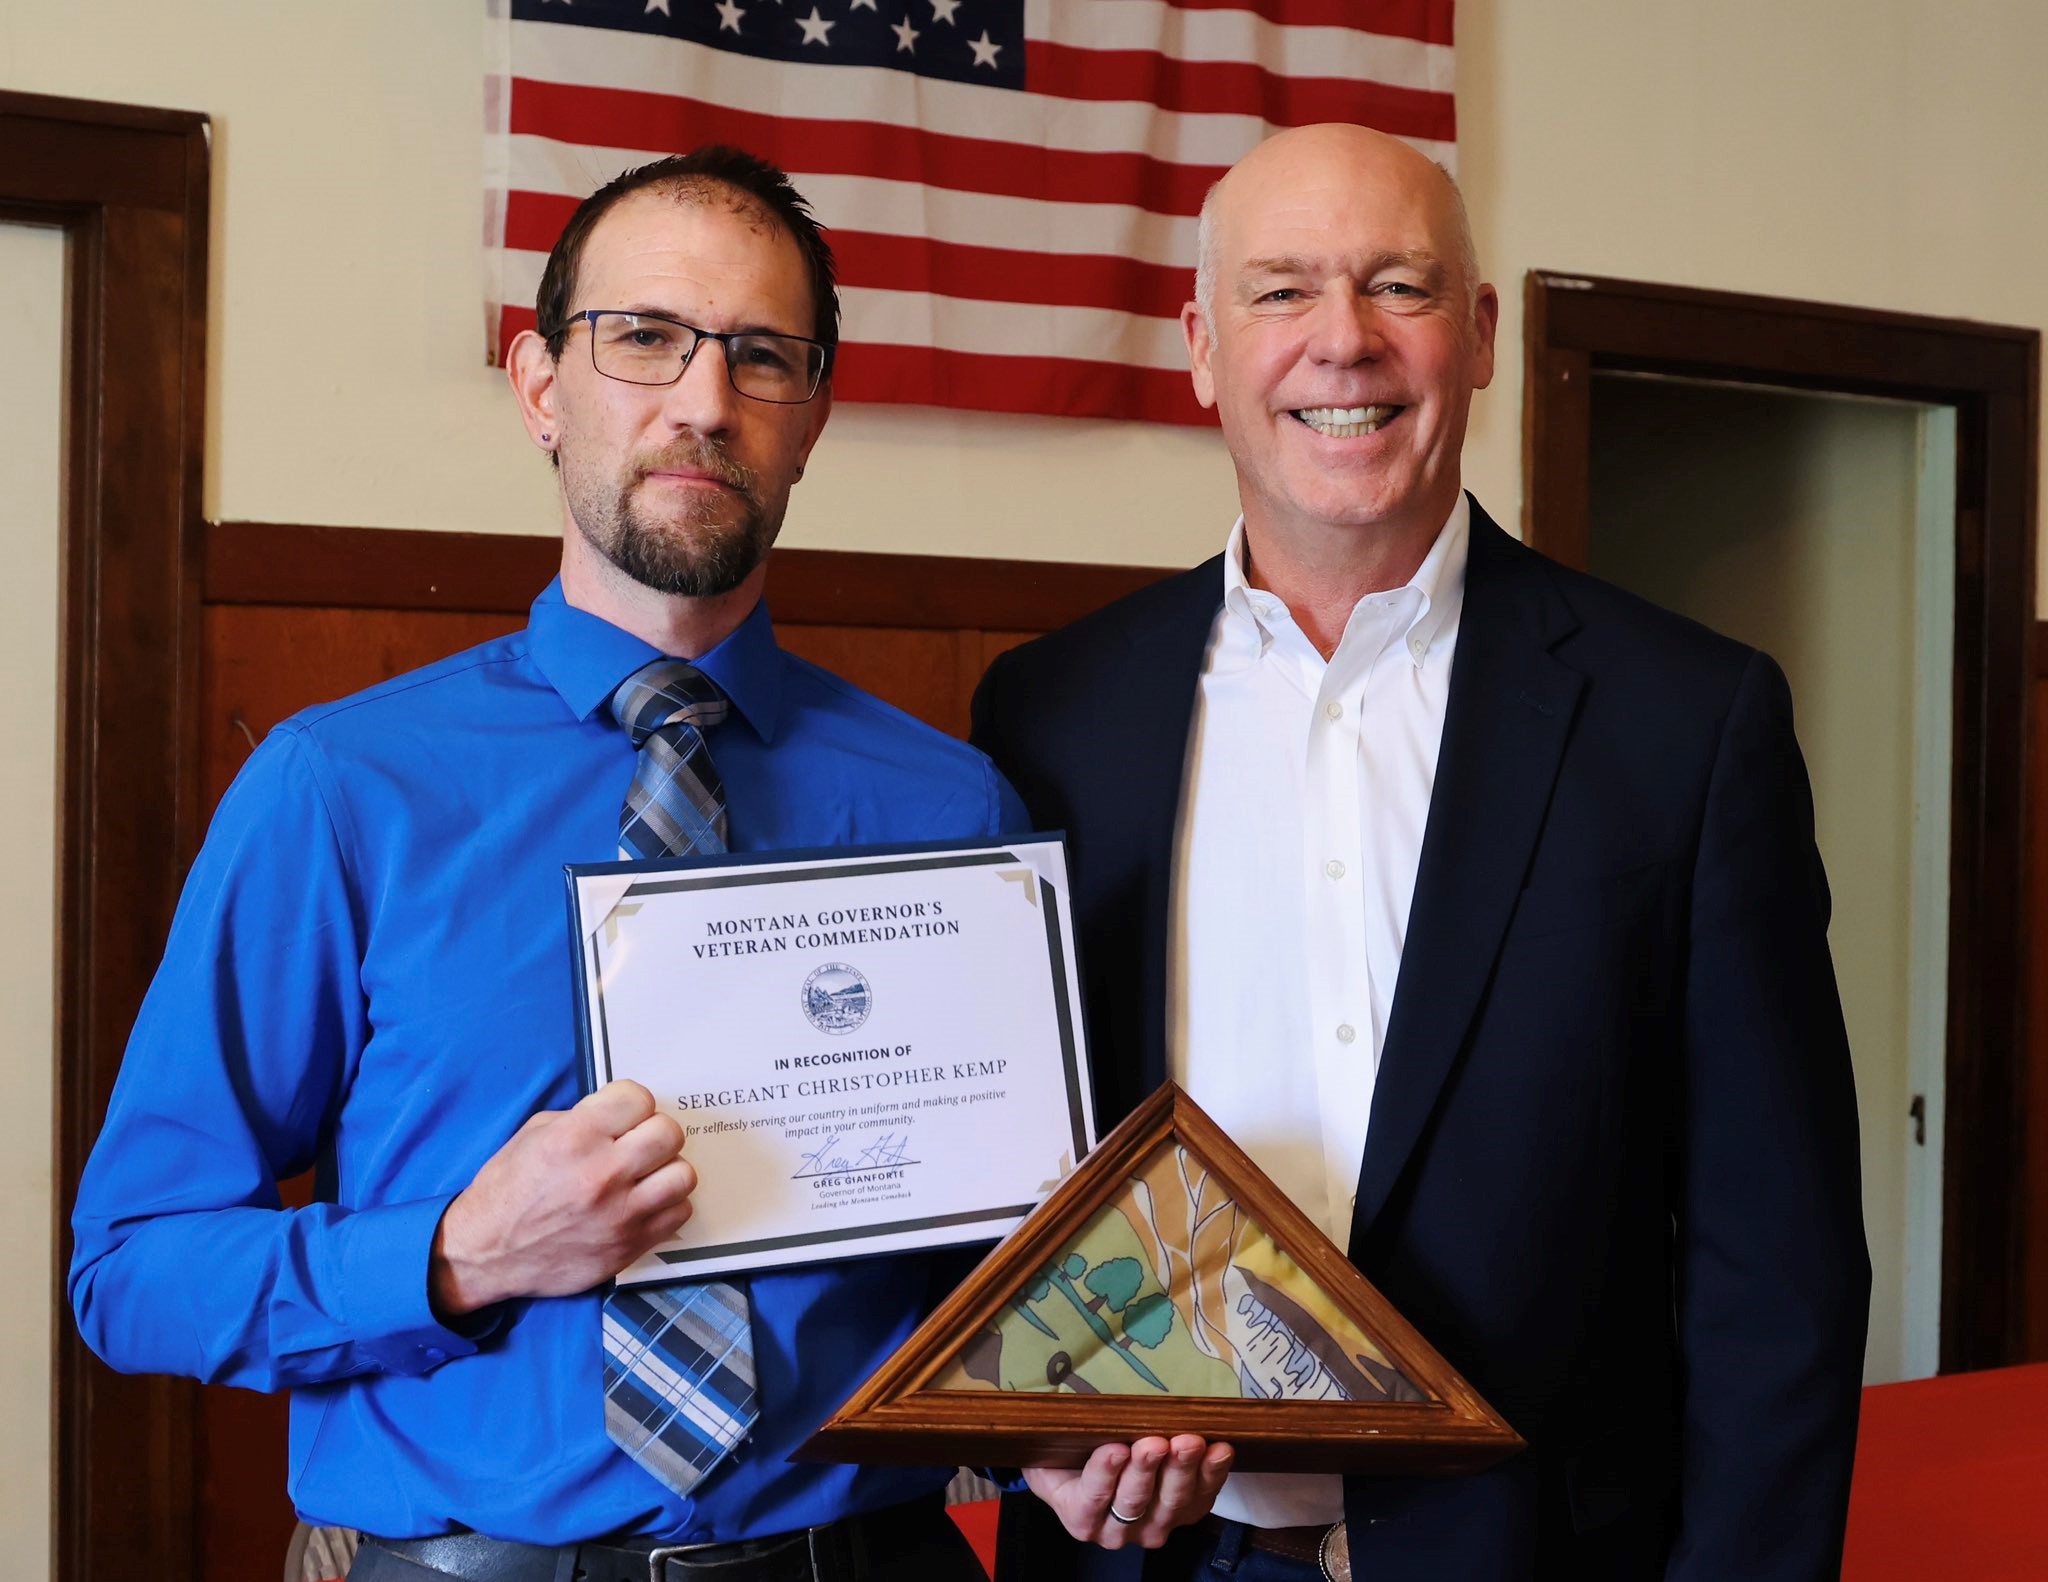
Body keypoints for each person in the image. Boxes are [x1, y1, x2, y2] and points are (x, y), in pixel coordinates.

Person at [67, 146, 1225, 1582]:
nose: (704, 401)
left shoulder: (951, 807)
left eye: (761, 356)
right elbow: (133, 1267)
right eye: (644, 337)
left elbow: (991, 1253)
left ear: (812, 419)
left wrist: (1057, 1421)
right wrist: (459, 1252)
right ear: (541, 385)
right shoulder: (343, 791)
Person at [974, 124, 1871, 1582]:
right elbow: (1009, 1169)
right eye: (1281, 292)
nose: (1344, 340)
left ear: (1483, 333)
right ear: (1201, 349)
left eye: (1399, 285)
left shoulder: (1686, 724)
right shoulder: (1049, 714)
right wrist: (1025, 1433)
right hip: (1150, 1556)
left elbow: (1777, 1266)